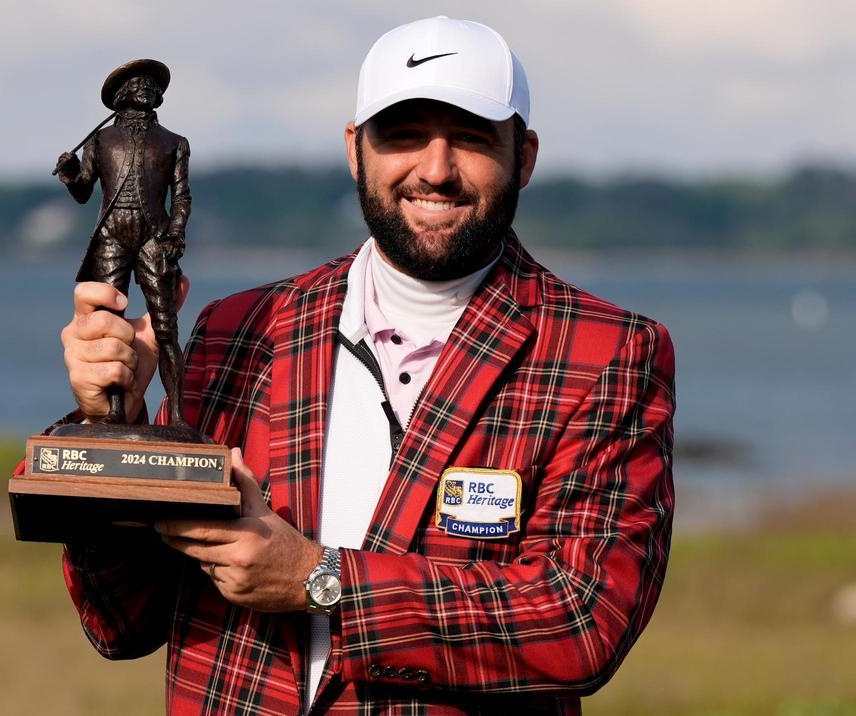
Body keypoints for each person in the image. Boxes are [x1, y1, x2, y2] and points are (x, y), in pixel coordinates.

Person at [52, 17, 674, 714]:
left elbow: (581, 621)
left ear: (523, 156)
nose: (435, 169)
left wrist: (321, 579)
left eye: (469, 137)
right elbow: (120, 619)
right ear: (356, 149)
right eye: (404, 135)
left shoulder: (605, 353)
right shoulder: (236, 332)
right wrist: (113, 421)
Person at [55, 58, 192, 426]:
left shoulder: (174, 143)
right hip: (112, 234)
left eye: (151, 84)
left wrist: (176, 233)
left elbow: (181, 197)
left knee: (166, 329)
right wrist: (70, 174)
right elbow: (84, 191)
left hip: (155, 237)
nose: (145, 88)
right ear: (121, 96)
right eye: (137, 83)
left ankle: (177, 415)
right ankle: (114, 410)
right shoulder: (101, 140)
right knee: (107, 322)